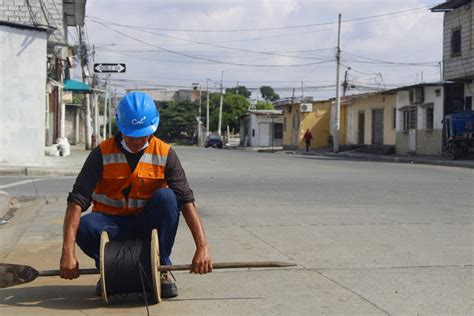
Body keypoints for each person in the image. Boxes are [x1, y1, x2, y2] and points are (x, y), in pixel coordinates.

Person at [59, 92, 212, 298]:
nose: (138, 141)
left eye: (143, 134)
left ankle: (162, 268)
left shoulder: (165, 153)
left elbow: (186, 201)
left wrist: (202, 247)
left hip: (147, 225)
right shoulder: (101, 153)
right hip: (112, 225)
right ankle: (110, 269)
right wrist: (68, 253)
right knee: (85, 226)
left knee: (168, 198)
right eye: (132, 135)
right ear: (121, 128)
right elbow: (76, 203)